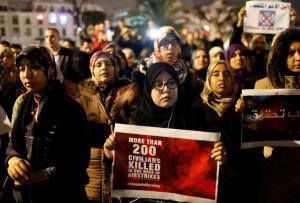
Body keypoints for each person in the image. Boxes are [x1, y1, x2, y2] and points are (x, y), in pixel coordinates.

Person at [104, 62, 226, 202]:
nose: (166, 89)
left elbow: (208, 179)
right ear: (148, 89)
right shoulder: (134, 126)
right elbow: (116, 190)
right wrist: (111, 158)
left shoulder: (196, 120)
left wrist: (219, 159)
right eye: (158, 84)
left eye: (171, 83)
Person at [6, 44, 89, 203]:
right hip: (26, 195)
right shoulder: (25, 104)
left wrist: (45, 175)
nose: (26, 75)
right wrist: (12, 160)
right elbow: (13, 143)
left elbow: (79, 159)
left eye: (34, 67)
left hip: (62, 193)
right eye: (22, 69)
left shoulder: (69, 108)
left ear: (50, 69)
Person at [68, 50, 141, 203]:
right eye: (98, 64)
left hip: (121, 160)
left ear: (116, 68)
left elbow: (136, 125)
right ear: (91, 70)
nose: (103, 68)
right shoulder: (81, 95)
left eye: (108, 64)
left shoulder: (130, 91)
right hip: (91, 164)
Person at [254, 27, 300, 203]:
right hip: (275, 170)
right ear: (280, 55)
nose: (298, 58)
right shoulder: (262, 86)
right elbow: (255, 131)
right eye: (291, 53)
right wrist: (245, 113)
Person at [192, 60, 241, 203]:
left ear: (232, 79)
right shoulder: (197, 107)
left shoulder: (242, 105)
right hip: (205, 180)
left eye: (226, 74)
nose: (221, 78)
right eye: (216, 74)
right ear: (208, 79)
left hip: (236, 181)